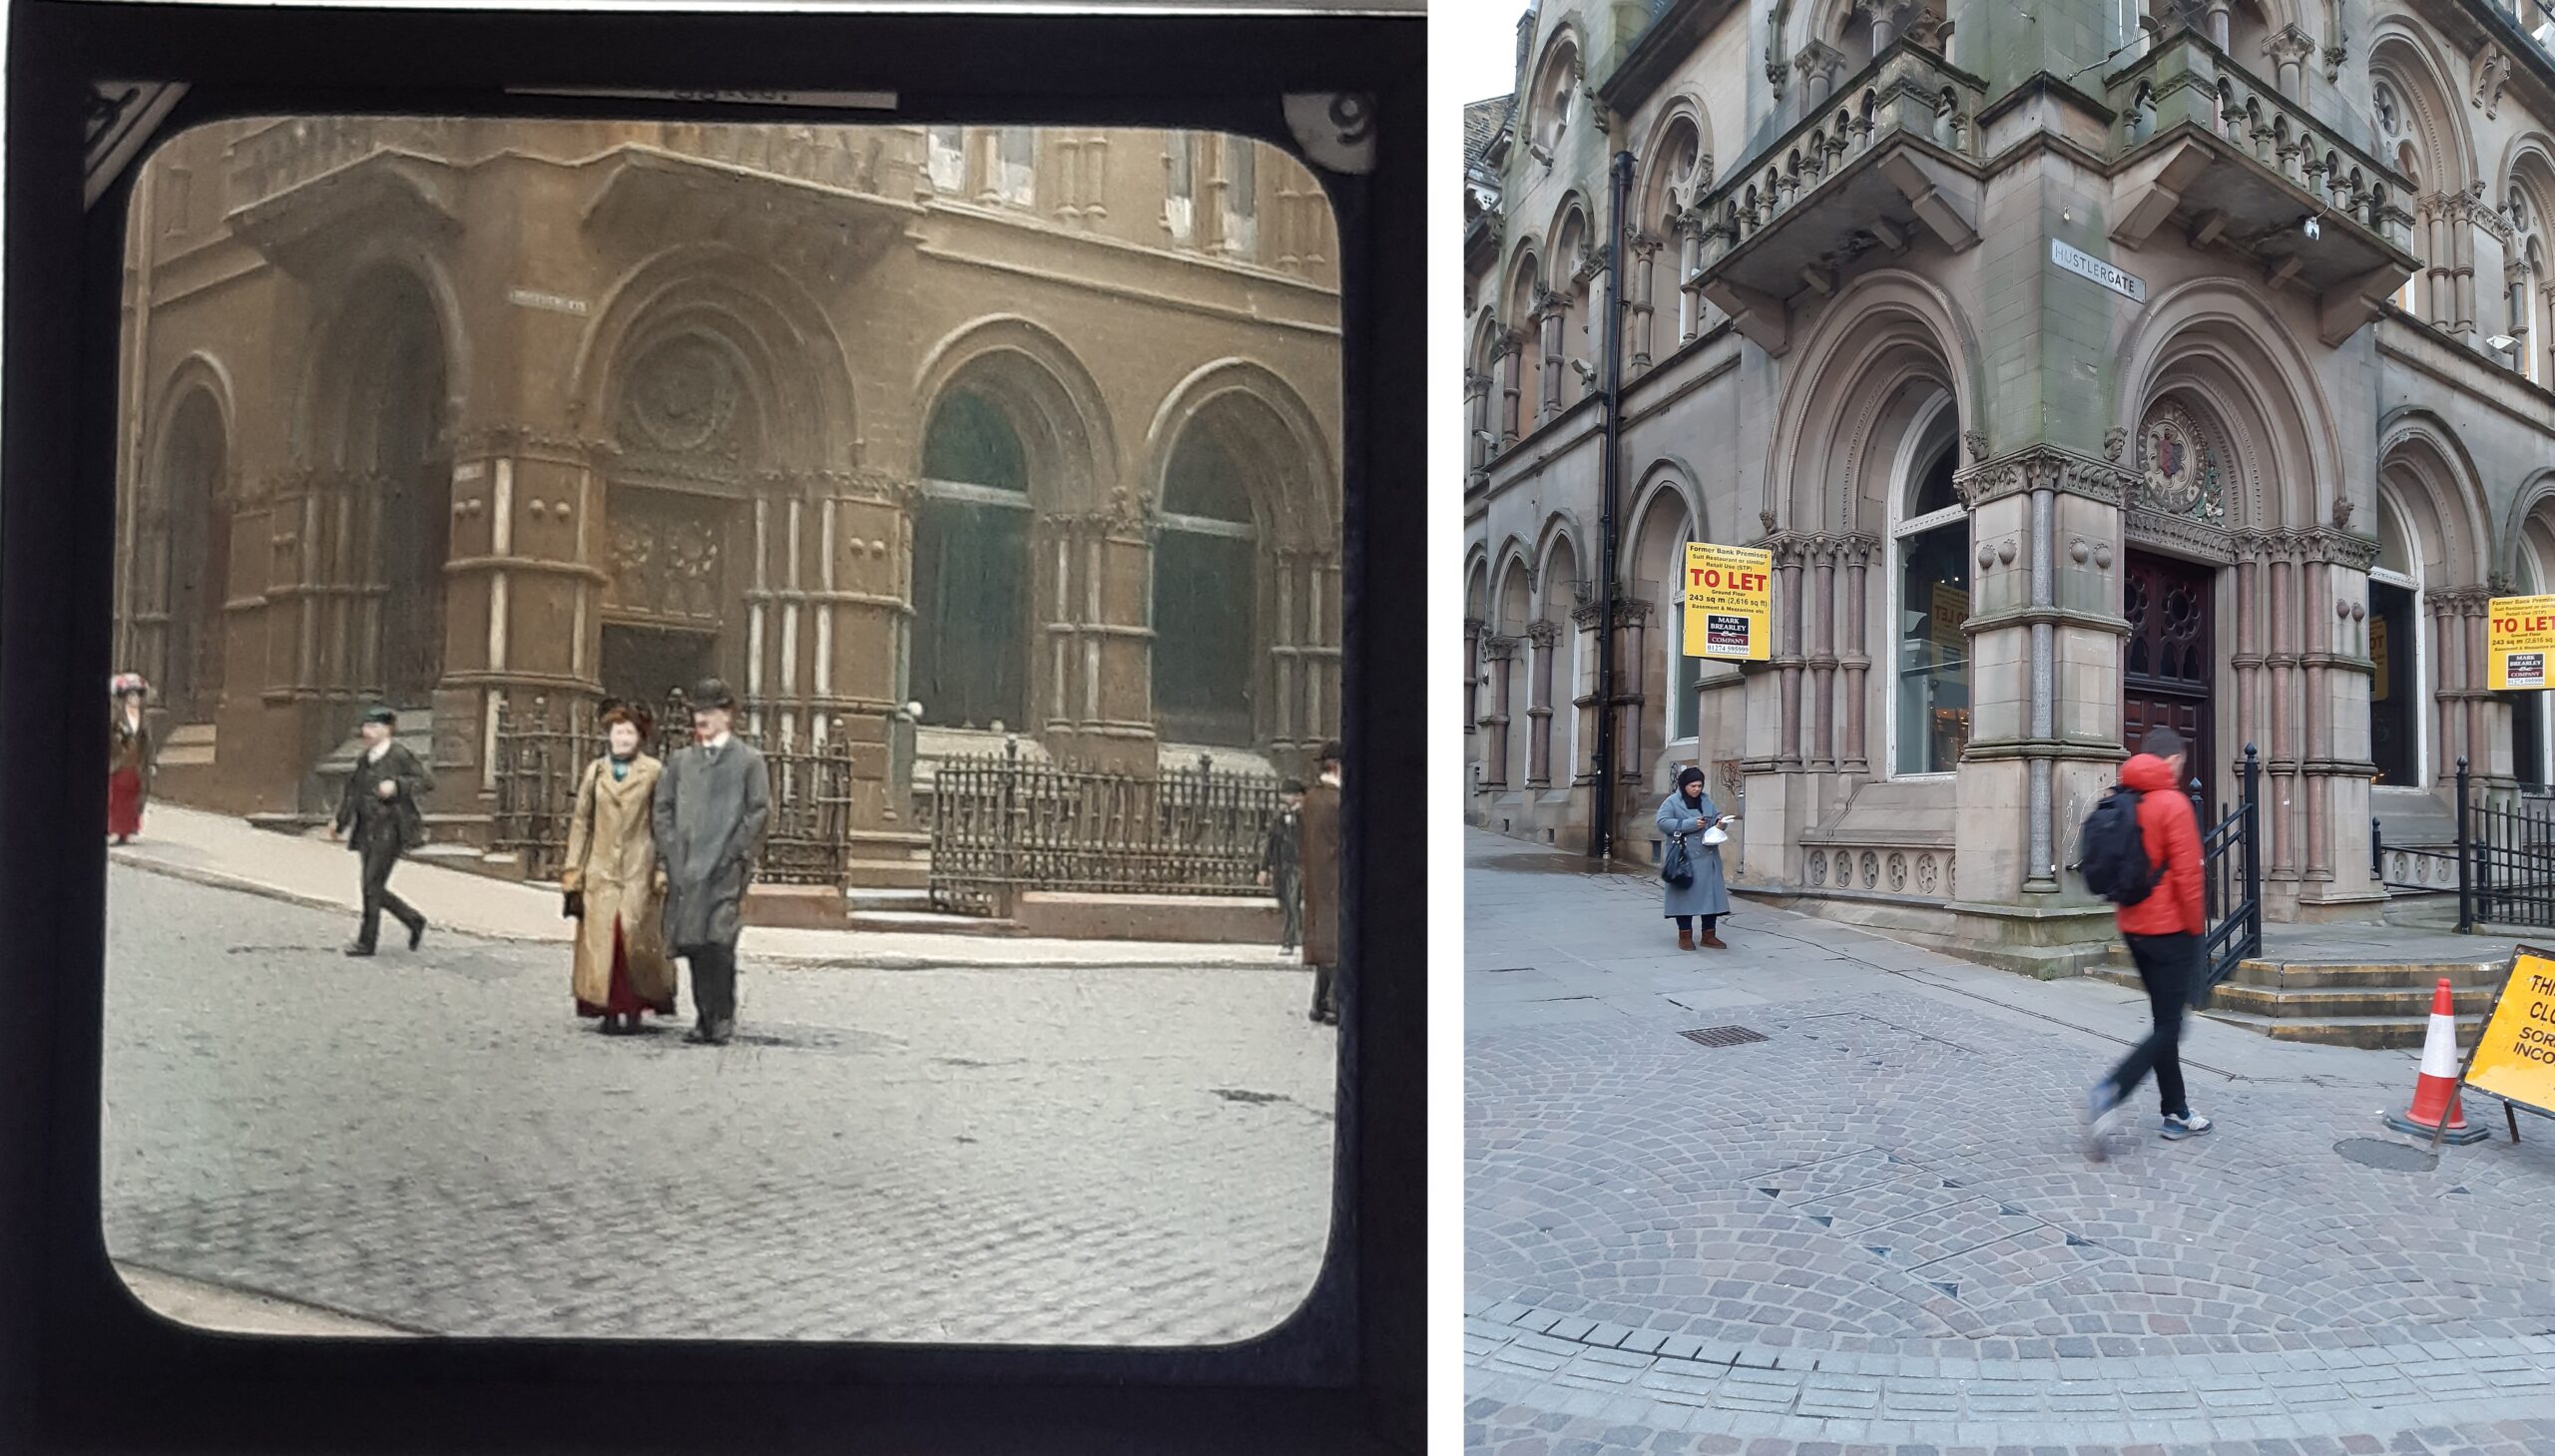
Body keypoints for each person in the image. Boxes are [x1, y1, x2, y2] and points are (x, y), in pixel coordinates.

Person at [2085, 724, 2213, 1158]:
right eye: (2180, 761)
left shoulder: (2126, 797)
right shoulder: (2172, 804)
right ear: (2173, 759)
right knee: (2171, 1027)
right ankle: (2111, 1090)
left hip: (2133, 925)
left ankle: (2175, 1110)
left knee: (2164, 1023)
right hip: (2170, 929)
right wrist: (2197, 932)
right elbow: (2189, 878)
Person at [651, 679, 769, 1047]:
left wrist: (735, 852)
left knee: (719, 943)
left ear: (727, 715)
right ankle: (703, 1016)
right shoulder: (681, 761)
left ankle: (721, 1017)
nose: (702, 718)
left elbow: (758, 812)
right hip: (686, 870)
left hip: (723, 870)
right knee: (694, 946)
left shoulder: (749, 761)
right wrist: (671, 850)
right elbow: (662, 808)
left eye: (710, 712)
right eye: (698, 712)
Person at [562, 705, 678, 1035]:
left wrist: (663, 868)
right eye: (617, 732)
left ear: (640, 738)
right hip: (600, 869)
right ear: (608, 735)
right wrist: (574, 869)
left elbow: (663, 822)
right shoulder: (595, 772)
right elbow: (582, 821)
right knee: (602, 941)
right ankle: (606, 1008)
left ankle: (636, 1007)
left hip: (639, 865)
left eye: (629, 733)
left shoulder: (654, 772)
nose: (622, 738)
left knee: (635, 940)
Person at [329, 705, 432, 957]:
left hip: (391, 827)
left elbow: (426, 781)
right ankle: (413, 919)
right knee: (372, 887)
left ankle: (367, 942)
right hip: (366, 829)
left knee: (371, 885)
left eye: (374, 726)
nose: (368, 731)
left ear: (388, 729)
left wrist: (397, 786)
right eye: (366, 726)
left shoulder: (400, 755)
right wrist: (340, 822)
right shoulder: (365, 759)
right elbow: (352, 793)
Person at [1657, 765, 1733, 950]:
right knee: (1684, 897)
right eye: (1693, 785)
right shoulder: (1672, 802)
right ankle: (1685, 935)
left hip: (1708, 856)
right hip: (1685, 858)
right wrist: (1689, 824)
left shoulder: (1707, 801)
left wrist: (1720, 823)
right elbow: (1662, 822)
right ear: (1684, 785)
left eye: (1699, 785)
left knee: (1711, 897)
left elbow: (1716, 818)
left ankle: (1709, 934)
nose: (1697, 789)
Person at [1298, 743, 1342, 1026]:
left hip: (1316, 880)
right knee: (1338, 945)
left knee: (1325, 944)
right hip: (1336, 880)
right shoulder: (1338, 802)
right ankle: (1334, 1007)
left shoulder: (1310, 799)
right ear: (1337, 767)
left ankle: (1319, 1003)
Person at [1259, 778, 1306, 956]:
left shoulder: (1305, 816)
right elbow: (1272, 842)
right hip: (1281, 866)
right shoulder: (1279, 817)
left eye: (1289, 795)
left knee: (1292, 903)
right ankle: (1296, 936)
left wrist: (1296, 816)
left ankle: (1289, 941)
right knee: (1285, 902)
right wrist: (1264, 868)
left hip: (1298, 866)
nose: (1286, 798)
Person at [108, 673, 153, 845]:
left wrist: (151, 762)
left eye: (136, 696)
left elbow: (148, 742)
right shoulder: (117, 718)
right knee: (117, 798)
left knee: (133, 799)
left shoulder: (144, 719)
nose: (134, 700)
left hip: (136, 765)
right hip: (119, 764)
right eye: (130, 696)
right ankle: (115, 830)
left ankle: (128, 830)